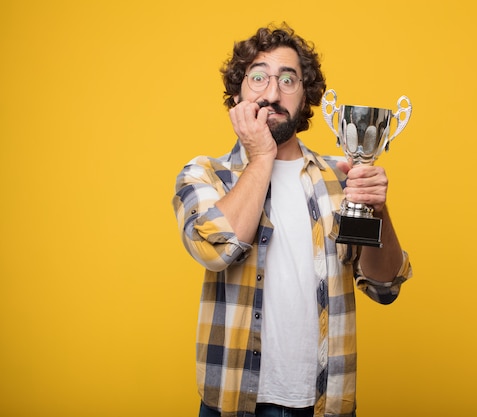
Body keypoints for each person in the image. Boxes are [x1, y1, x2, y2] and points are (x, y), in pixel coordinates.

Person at [172, 23, 412, 417]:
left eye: (288, 80)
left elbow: (384, 288)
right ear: (237, 94)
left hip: (325, 403)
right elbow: (216, 250)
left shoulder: (341, 177)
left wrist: (377, 210)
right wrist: (261, 155)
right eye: (259, 77)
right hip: (233, 402)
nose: (272, 93)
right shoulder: (205, 175)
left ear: (306, 98)